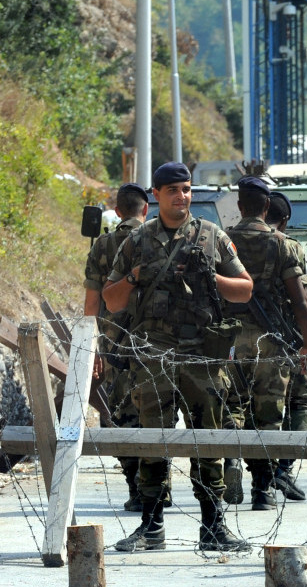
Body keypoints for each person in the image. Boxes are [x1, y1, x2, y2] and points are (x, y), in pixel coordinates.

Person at [102, 161, 254, 553]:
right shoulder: (137, 241)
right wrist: (134, 276)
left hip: (202, 358)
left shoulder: (211, 236)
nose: (181, 197)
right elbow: (111, 299)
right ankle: (151, 526)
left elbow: (244, 290)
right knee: (154, 441)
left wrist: (212, 277)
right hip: (153, 359)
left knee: (208, 441)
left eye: (186, 189)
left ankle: (214, 526)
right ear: (156, 195)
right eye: (173, 190)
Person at [225, 177, 307, 510]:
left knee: (233, 405)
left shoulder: (222, 241)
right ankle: (261, 490)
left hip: (230, 339)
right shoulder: (285, 245)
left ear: (239, 206)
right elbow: (300, 300)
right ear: (267, 207)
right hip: (271, 341)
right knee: (269, 412)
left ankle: (231, 463)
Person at [83, 182, 173, 512]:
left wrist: (91, 350)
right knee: (159, 416)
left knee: (123, 417)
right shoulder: (161, 241)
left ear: (117, 211)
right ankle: (160, 487)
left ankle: (136, 490)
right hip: (157, 345)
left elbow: (92, 304)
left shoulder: (104, 245)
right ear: (146, 209)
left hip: (115, 347)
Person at [266, 190, 307, 501]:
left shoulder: (230, 240)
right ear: (285, 220)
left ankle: (250, 472)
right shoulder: (290, 246)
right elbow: (302, 299)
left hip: (242, 340)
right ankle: (282, 468)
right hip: (286, 339)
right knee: (299, 403)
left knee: (246, 407)